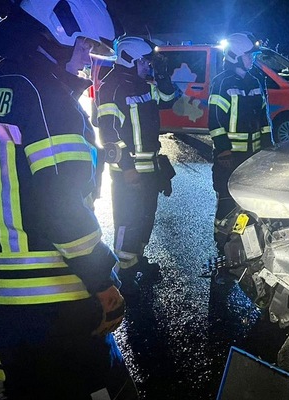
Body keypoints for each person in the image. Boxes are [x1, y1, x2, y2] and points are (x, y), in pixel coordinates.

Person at [0, 0, 139, 398]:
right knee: (108, 389)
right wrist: (103, 279)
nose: (87, 61)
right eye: (86, 47)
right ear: (60, 30)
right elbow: (61, 208)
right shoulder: (47, 96)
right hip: (54, 295)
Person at [96, 35, 179, 294]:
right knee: (127, 221)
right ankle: (123, 271)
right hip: (128, 171)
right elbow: (108, 135)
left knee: (145, 219)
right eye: (145, 61)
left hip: (150, 168)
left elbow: (169, 98)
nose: (149, 66)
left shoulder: (144, 84)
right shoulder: (111, 88)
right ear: (130, 59)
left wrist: (163, 75)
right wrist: (128, 169)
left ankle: (136, 259)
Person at [208, 32, 271, 252]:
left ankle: (241, 244)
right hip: (230, 157)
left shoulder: (254, 81)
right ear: (235, 55)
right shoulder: (222, 83)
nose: (252, 58)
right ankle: (222, 247)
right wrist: (224, 151)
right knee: (227, 203)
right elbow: (215, 121)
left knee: (247, 204)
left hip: (251, 156)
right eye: (248, 55)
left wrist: (267, 145)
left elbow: (263, 117)